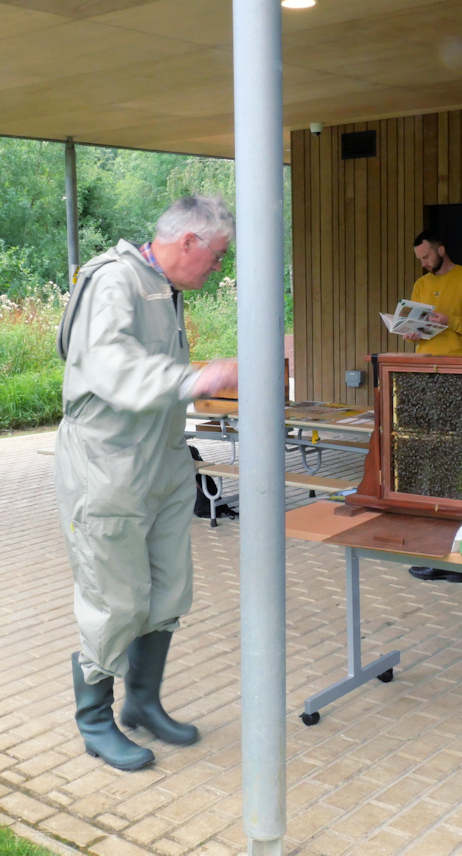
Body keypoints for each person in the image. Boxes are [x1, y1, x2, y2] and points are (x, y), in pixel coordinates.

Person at [55, 195, 239, 771]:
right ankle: (94, 722)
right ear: (187, 242)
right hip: (107, 465)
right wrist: (199, 376)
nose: (218, 267)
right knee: (114, 599)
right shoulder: (115, 280)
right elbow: (109, 363)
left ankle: (142, 701)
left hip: (159, 462)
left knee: (167, 591)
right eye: (216, 255)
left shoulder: (163, 286)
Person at [406, 229, 462, 583]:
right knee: (427, 453)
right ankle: (438, 550)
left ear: (442, 250)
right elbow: (415, 321)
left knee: (453, 456)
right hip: (422, 372)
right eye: (420, 259)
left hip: (460, 373)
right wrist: (412, 331)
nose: (424, 264)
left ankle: (452, 556)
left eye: (427, 257)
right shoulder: (420, 285)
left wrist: (450, 321)